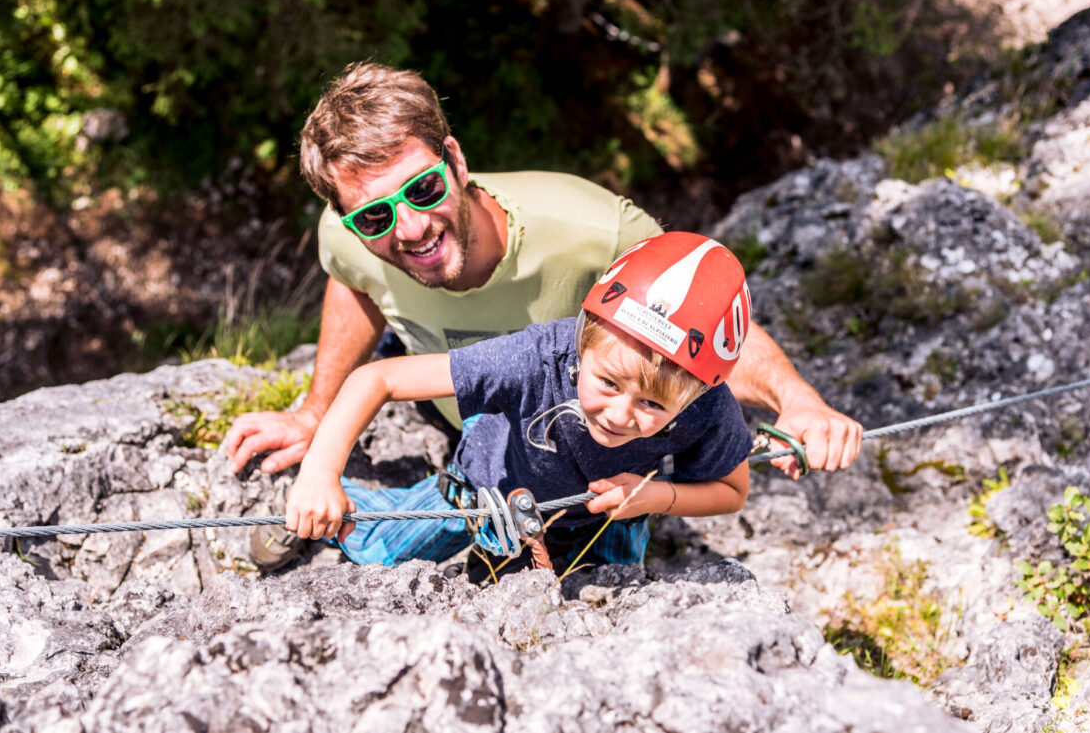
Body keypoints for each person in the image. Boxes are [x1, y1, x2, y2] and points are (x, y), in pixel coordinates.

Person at [223, 62, 861, 565]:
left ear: (456, 159)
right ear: (347, 219)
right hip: (477, 435)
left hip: (590, 464)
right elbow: (355, 284)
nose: (410, 226)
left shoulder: (594, 230)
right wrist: (315, 415)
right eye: (373, 216)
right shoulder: (344, 236)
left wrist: (794, 400)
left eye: (422, 187)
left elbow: (696, 324)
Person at [286, 233, 755, 578]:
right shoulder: (535, 358)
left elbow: (733, 491)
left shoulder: (705, 404)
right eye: (608, 383)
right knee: (379, 549)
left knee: (608, 603)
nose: (618, 415)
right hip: (486, 492)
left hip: (607, 516)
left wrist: (658, 498)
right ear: (581, 338)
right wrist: (318, 476)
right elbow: (378, 377)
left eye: (652, 404)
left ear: (696, 393)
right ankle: (307, 510)